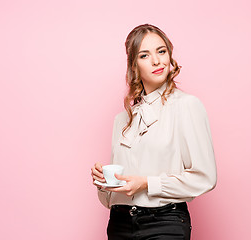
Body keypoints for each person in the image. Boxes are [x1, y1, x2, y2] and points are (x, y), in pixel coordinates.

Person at [91, 23, 217, 240]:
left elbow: (205, 178)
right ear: (134, 65)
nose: (157, 61)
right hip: (119, 224)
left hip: (164, 223)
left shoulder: (186, 106)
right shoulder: (122, 120)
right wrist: (104, 184)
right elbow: (110, 199)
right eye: (144, 55)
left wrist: (147, 183)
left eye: (161, 51)